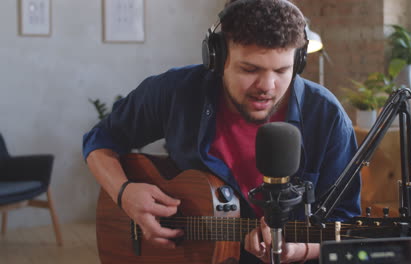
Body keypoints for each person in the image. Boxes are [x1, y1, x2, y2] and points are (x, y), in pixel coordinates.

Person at [83, 0, 361, 263]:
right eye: (250, 69)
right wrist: (124, 193)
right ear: (217, 57)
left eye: (282, 70)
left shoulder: (328, 118)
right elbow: (101, 138)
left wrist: (298, 250)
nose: (268, 85)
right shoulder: (176, 91)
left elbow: (346, 226)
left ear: (299, 62)